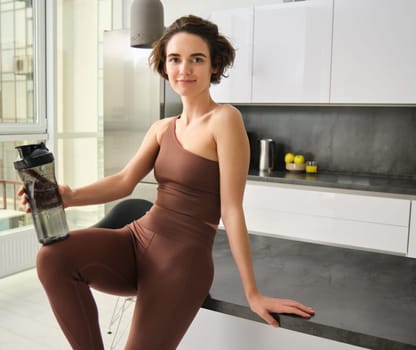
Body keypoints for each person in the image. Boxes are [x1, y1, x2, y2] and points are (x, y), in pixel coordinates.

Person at [19, 14, 314, 350]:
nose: (184, 69)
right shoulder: (161, 128)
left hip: (182, 258)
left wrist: (253, 292)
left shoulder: (225, 120)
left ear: (214, 66)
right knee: (52, 257)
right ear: (165, 65)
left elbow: (231, 210)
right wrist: (68, 196)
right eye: (175, 59)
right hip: (138, 238)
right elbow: (123, 182)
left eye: (196, 59)